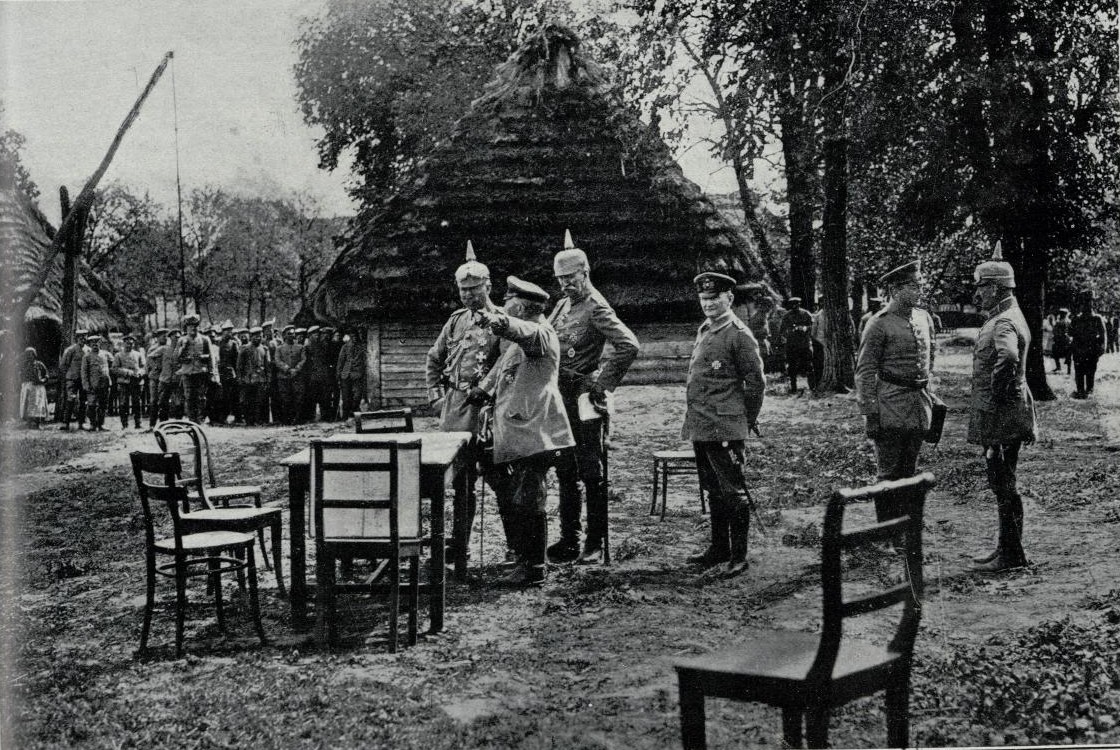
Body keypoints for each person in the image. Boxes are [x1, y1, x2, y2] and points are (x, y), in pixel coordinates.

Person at [472, 276, 575, 586]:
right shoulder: (519, 343)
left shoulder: (540, 333)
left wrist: (498, 322)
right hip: (520, 429)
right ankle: (525, 559)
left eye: (509, 302)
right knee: (517, 495)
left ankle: (534, 568)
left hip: (536, 431)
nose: (505, 305)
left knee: (530, 497)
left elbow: (522, 329)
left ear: (522, 306)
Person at [545, 230, 640, 565]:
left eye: (571, 279)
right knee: (564, 468)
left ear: (585, 273)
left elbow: (629, 345)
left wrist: (601, 384)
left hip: (584, 397)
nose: (566, 285)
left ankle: (594, 541)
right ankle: (568, 538)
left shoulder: (596, 306)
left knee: (591, 470)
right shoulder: (559, 307)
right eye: (560, 280)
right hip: (560, 398)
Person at [426, 242, 510, 562]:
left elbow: (505, 362)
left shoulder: (501, 320)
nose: (469, 296)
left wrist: (486, 389)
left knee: (500, 479)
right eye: (463, 291)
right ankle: (458, 543)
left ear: (488, 286)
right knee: (461, 484)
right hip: (455, 408)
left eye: (474, 290)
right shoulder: (456, 320)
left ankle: (514, 545)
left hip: (487, 411)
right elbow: (434, 359)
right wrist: (436, 398)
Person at [682, 272, 765, 578]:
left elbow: (756, 383)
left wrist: (745, 421)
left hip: (725, 426)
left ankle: (739, 556)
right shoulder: (705, 329)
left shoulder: (739, 334)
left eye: (715, 298)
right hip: (702, 424)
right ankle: (719, 548)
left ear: (729, 298)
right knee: (712, 488)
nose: (709, 304)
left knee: (732, 491)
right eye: (704, 299)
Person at [969, 241, 1036, 572]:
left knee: (1002, 480)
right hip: (1006, 411)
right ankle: (1006, 548)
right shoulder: (1008, 314)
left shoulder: (1004, 321)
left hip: (1002, 413)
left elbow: (1007, 358)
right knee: (1002, 480)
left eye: (981, 288)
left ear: (996, 288)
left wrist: (995, 396)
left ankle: (1010, 554)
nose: (977, 295)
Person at [855, 260, 937, 522]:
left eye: (919, 284)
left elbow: (929, 360)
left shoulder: (924, 318)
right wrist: (870, 412)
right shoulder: (878, 323)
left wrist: (929, 394)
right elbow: (865, 371)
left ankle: (907, 526)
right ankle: (886, 530)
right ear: (895, 289)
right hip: (889, 405)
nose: (919, 290)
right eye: (913, 285)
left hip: (918, 405)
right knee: (888, 472)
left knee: (910, 470)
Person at [175, 315, 219, 423]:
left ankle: (200, 420)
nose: (193, 328)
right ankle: (191, 420)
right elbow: (175, 357)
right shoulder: (182, 340)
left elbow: (211, 357)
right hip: (187, 372)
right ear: (186, 328)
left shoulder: (204, 339)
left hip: (201, 372)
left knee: (201, 397)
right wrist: (182, 349)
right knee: (189, 397)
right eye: (190, 326)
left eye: (195, 326)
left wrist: (212, 372)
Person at [1069, 293, 1107, 399]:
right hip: (1078, 350)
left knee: (1090, 373)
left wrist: (1102, 348)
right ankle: (1080, 392)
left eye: (1089, 302)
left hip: (1092, 350)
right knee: (1079, 373)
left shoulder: (1097, 318)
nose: (1086, 305)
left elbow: (1103, 334)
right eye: (1084, 302)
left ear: (1092, 304)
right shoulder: (1076, 319)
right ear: (1081, 304)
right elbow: (1070, 333)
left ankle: (1089, 393)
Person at [779, 297, 814, 394]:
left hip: (804, 344)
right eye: (793, 305)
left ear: (799, 304)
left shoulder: (806, 314)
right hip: (792, 345)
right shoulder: (787, 316)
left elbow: (813, 326)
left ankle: (812, 386)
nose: (795, 307)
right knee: (792, 367)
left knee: (809, 365)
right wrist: (789, 333)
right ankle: (793, 387)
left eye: (797, 304)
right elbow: (782, 331)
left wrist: (805, 328)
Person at [237, 326, 270, 425]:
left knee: (259, 401)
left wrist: (268, 378)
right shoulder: (245, 349)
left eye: (259, 336)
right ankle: (249, 421)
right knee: (248, 401)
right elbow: (239, 365)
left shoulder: (264, 349)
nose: (258, 338)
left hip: (260, 379)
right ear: (251, 337)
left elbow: (267, 365)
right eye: (255, 336)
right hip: (248, 379)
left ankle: (258, 420)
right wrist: (240, 378)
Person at [275, 325, 307, 424]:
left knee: (298, 399)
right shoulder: (279, 348)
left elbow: (303, 359)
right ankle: (286, 420)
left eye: (293, 334)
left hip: (297, 377)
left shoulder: (301, 347)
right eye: (289, 334)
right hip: (284, 377)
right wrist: (287, 369)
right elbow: (277, 361)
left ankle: (297, 419)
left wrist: (296, 369)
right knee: (285, 399)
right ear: (284, 335)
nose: (292, 336)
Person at [58, 329, 89, 431]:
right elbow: (63, 365)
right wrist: (67, 377)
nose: (82, 339)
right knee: (71, 399)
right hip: (72, 378)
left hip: (84, 379)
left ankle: (81, 423)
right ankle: (65, 422)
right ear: (76, 338)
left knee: (83, 401)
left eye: (84, 336)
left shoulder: (88, 350)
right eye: (80, 337)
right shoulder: (70, 350)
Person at [112, 334, 144, 429]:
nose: (129, 345)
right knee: (123, 403)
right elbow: (114, 369)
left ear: (133, 344)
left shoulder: (138, 354)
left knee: (137, 403)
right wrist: (127, 372)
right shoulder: (118, 355)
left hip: (136, 382)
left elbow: (144, 367)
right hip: (124, 383)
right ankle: (124, 424)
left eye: (131, 343)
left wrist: (140, 373)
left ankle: (138, 423)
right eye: (127, 343)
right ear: (123, 344)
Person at [81, 335, 113, 431]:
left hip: (104, 384)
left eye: (97, 342)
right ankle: (92, 424)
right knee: (92, 405)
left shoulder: (106, 354)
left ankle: (101, 424)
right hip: (92, 385)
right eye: (92, 343)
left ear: (100, 343)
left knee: (103, 405)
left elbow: (113, 363)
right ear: (89, 344)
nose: (95, 345)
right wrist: (86, 385)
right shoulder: (87, 356)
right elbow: (84, 372)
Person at [336, 328, 367, 420]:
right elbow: (340, 361)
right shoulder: (345, 347)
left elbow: (365, 361)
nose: (354, 338)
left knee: (357, 396)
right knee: (346, 397)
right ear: (349, 336)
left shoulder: (361, 347)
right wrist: (338, 374)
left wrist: (362, 372)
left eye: (355, 336)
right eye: (352, 336)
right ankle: (345, 417)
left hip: (357, 374)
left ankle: (354, 412)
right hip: (345, 374)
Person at [213, 320, 239, 425]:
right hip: (219, 372)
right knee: (219, 396)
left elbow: (236, 360)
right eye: (227, 331)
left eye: (230, 331)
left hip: (229, 373)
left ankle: (234, 417)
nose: (229, 333)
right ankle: (220, 417)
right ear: (222, 332)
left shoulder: (233, 344)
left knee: (231, 396)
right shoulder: (217, 343)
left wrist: (236, 373)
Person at [18, 347, 49, 428]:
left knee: (38, 404)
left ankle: (38, 422)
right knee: (28, 404)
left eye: (31, 354)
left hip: (38, 388)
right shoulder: (24, 365)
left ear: (34, 355)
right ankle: (29, 422)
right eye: (28, 354)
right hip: (28, 387)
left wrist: (42, 380)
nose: (30, 356)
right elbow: (20, 376)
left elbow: (46, 374)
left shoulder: (39, 364)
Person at [146, 329, 168, 428]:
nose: (165, 338)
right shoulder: (153, 348)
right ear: (158, 337)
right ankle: (152, 424)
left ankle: (164, 423)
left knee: (164, 400)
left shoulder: (168, 347)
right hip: (155, 377)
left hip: (166, 377)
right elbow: (148, 360)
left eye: (166, 336)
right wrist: (155, 367)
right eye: (163, 336)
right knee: (154, 400)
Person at [1051, 308, 1072, 374]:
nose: (1061, 315)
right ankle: (1064, 368)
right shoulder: (1068, 321)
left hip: (1062, 340)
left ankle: (1061, 367)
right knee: (1066, 355)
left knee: (1059, 353)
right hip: (1064, 340)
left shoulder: (1061, 322)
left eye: (1062, 313)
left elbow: (1055, 330)